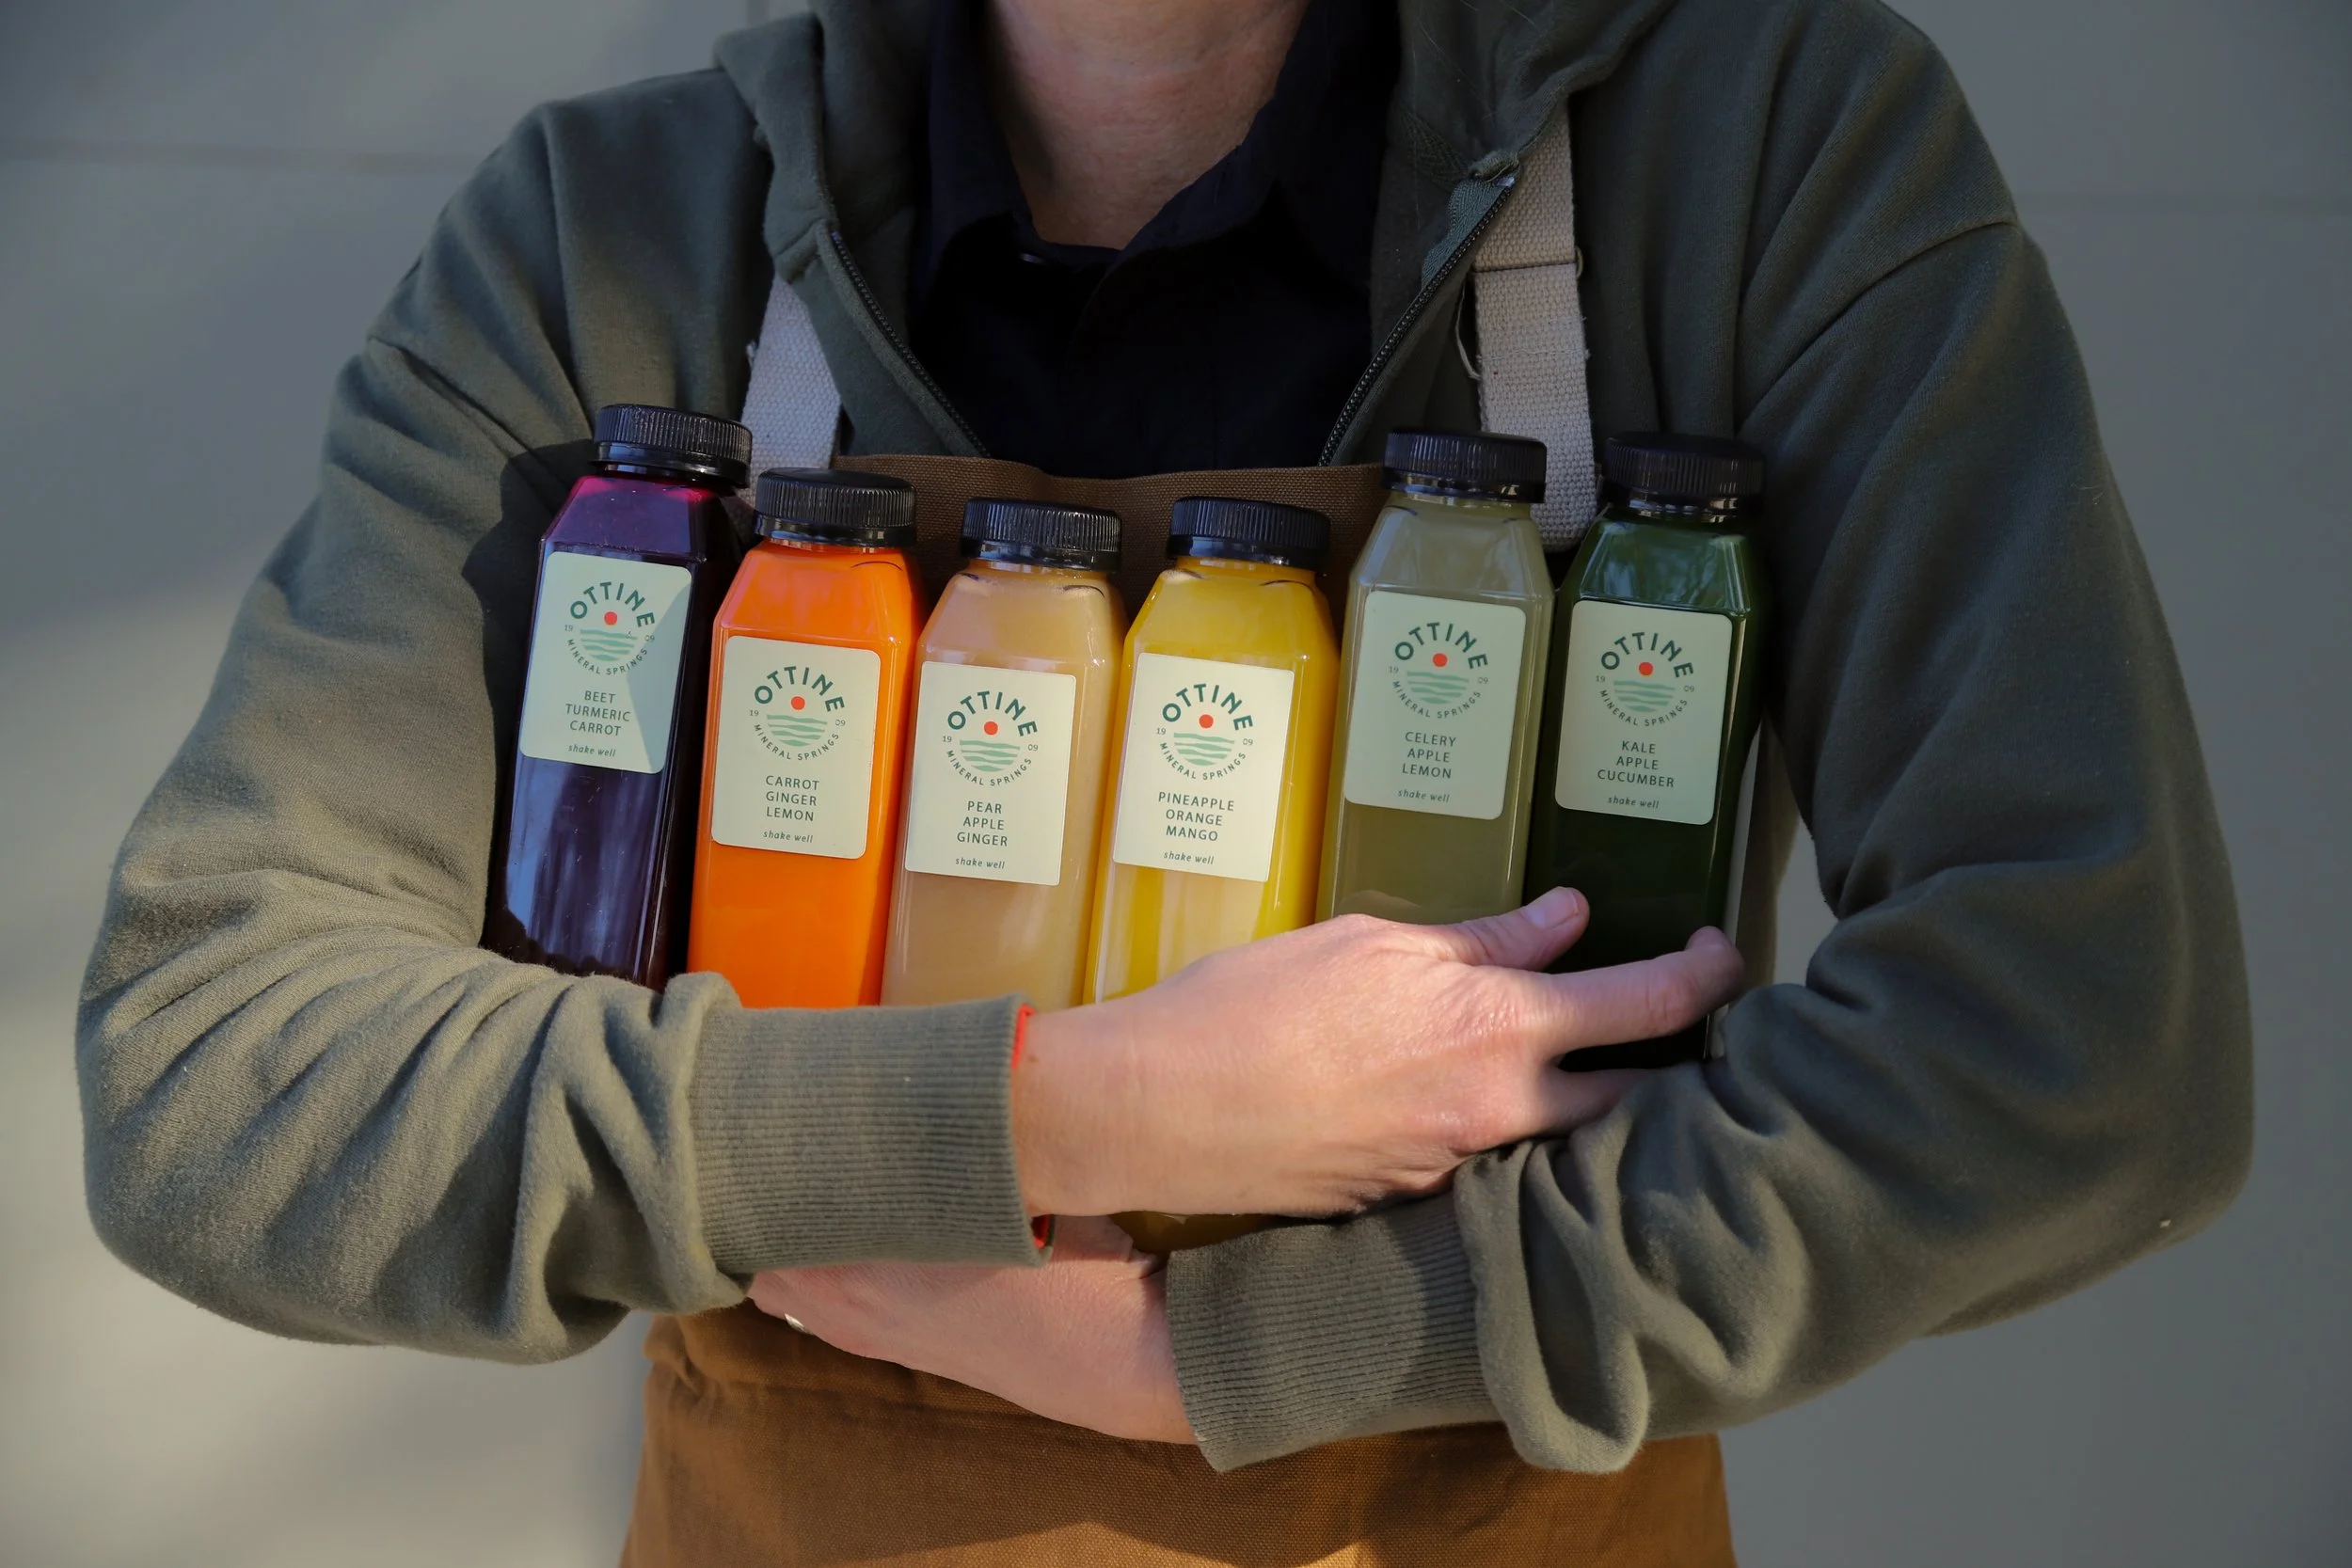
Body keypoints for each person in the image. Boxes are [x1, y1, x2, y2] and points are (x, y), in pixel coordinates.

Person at [77, 0, 2252, 1562]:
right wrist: (1067, 1105)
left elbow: (2067, 1050)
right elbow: (220, 1081)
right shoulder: (614, 234)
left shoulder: (1766, 152)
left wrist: (1206, 1343)